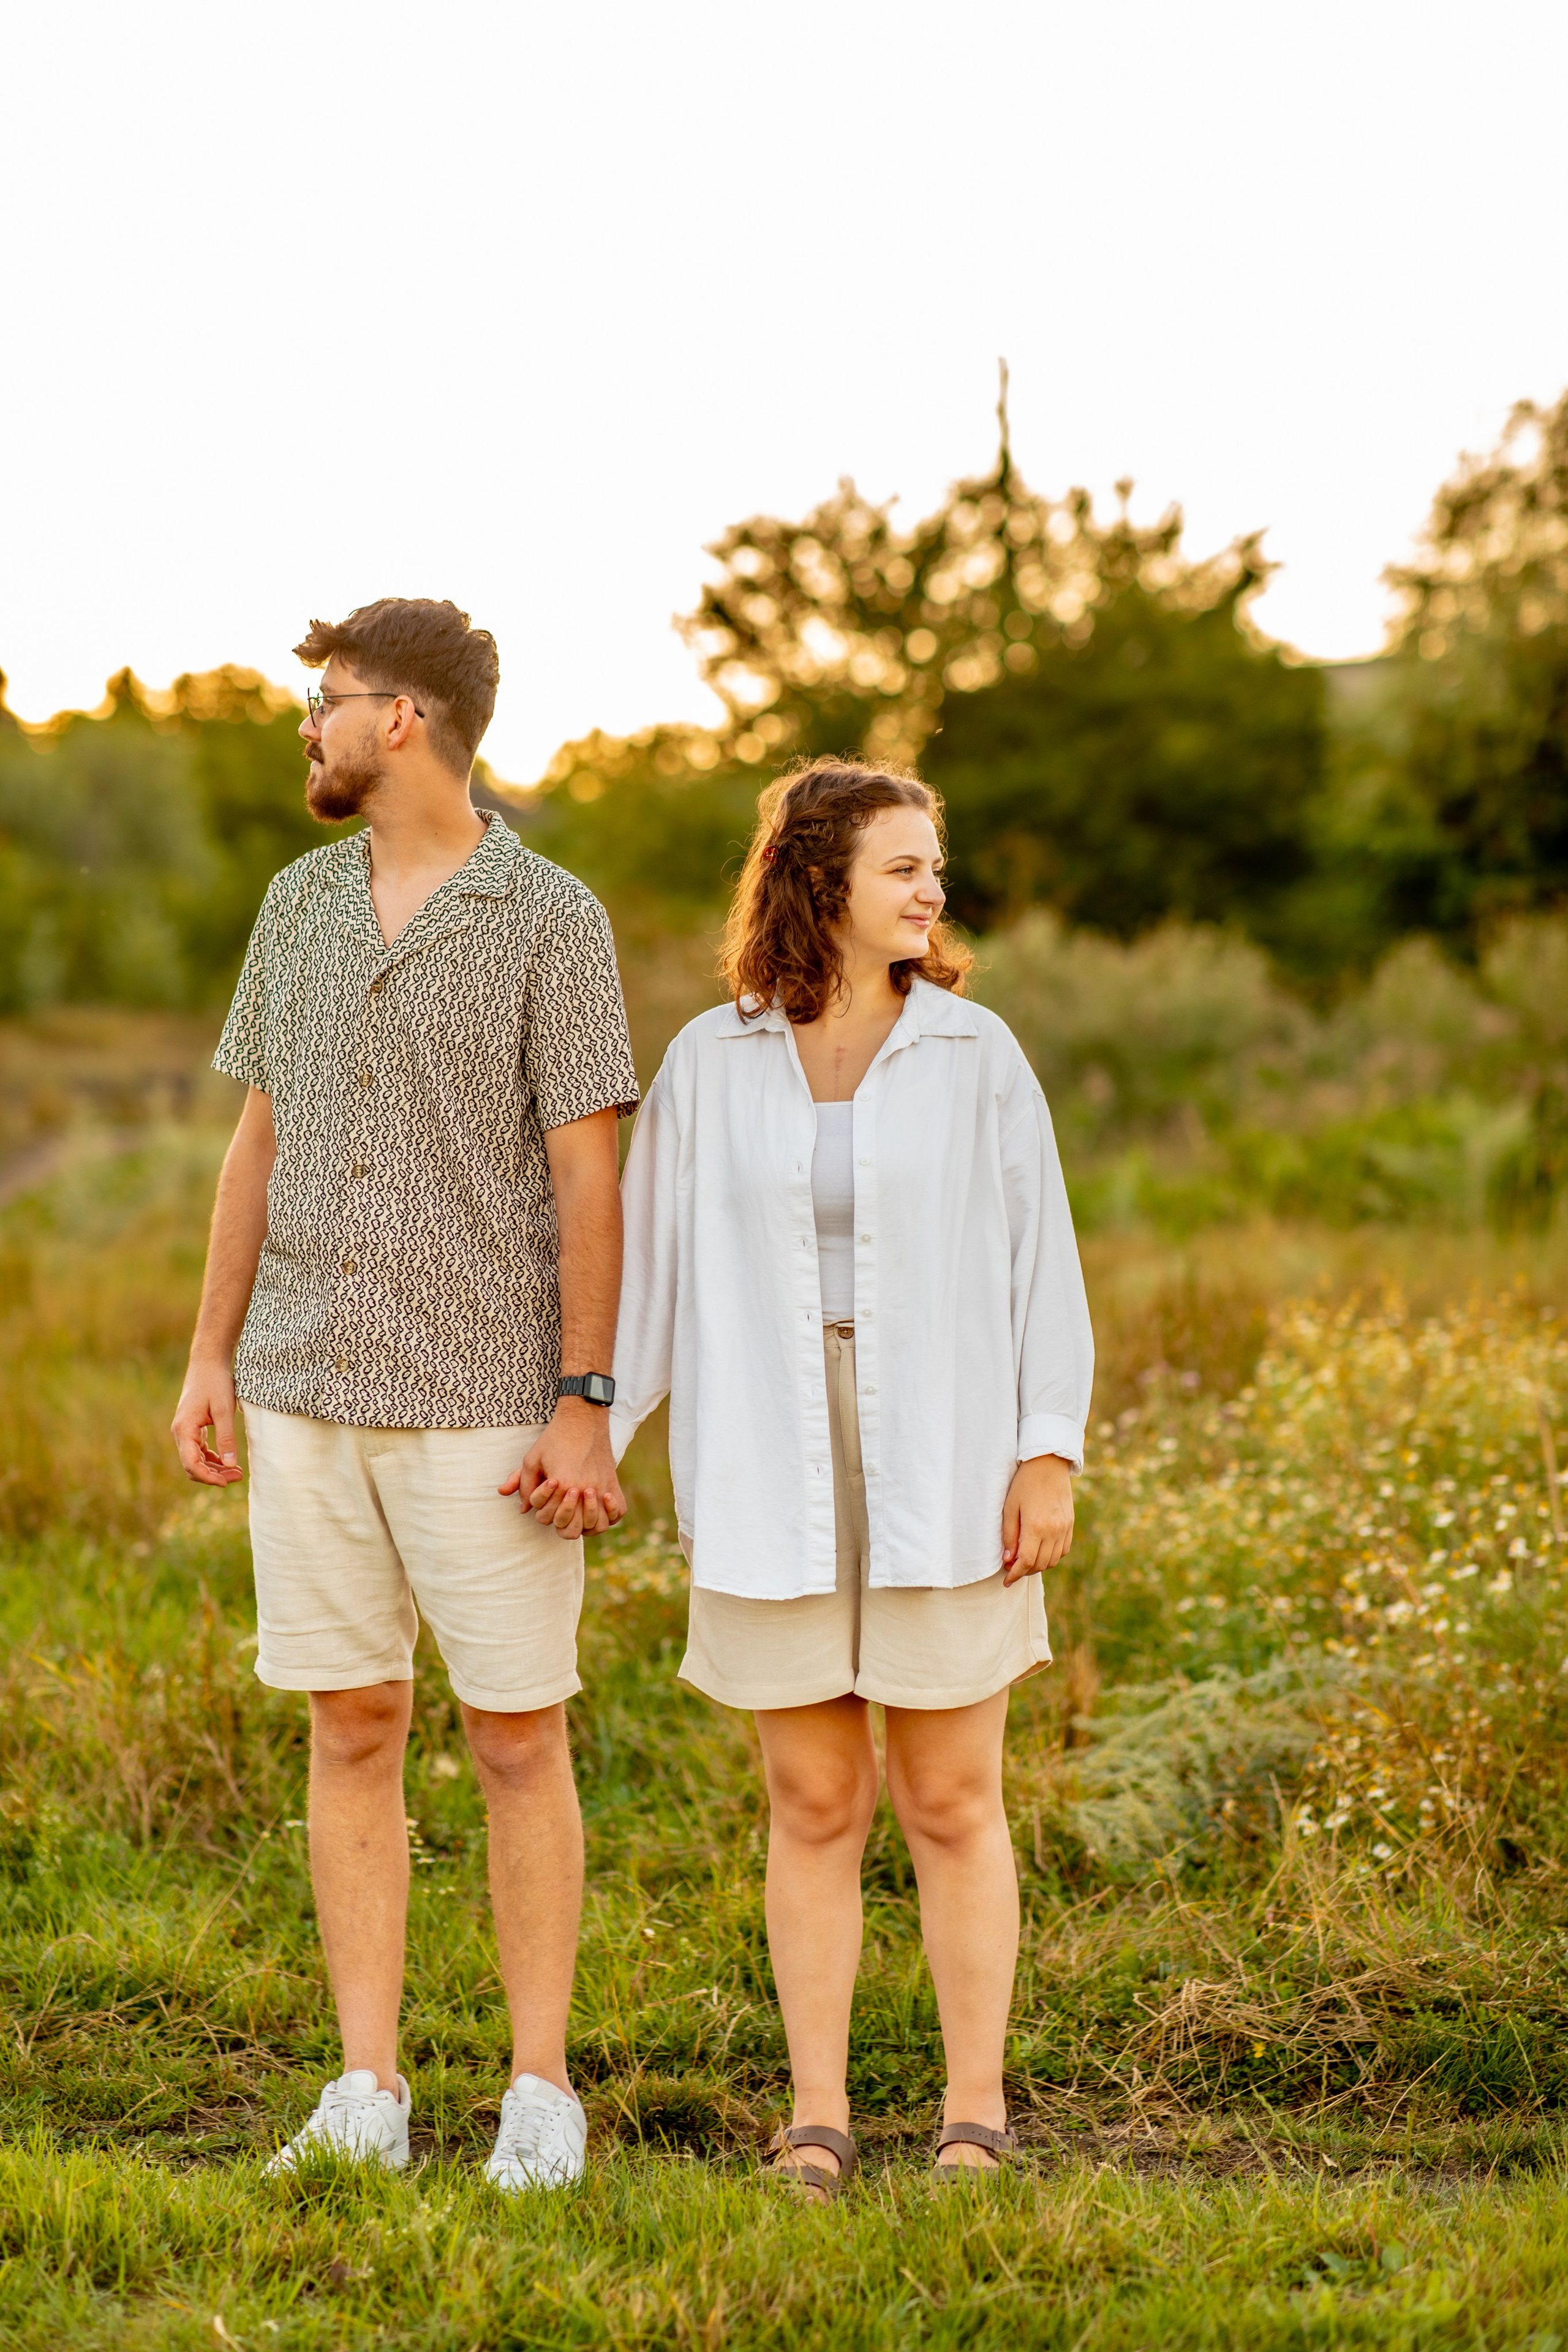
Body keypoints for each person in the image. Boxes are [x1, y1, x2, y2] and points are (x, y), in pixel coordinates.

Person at [172, 598, 638, 2190]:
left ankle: (538, 2093)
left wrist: (586, 1398)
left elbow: (590, 1169)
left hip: (489, 1403)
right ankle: (366, 2089)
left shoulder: (547, 917)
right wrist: (210, 1352)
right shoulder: (297, 907)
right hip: (305, 1390)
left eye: (331, 699)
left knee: (517, 1739)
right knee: (350, 1724)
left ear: (410, 721)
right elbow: (260, 1139)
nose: (309, 723)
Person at [609, 755, 1093, 2197]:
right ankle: (814, 2119)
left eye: (932, 867)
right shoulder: (711, 1056)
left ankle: (971, 2113)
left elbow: (1039, 1264)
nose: (931, 889)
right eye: (903, 865)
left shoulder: (975, 1052)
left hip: (944, 1444)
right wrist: (595, 1425)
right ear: (819, 880)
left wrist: (1045, 1452)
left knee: (951, 1798)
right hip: (766, 1439)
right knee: (812, 1801)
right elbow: (649, 1268)